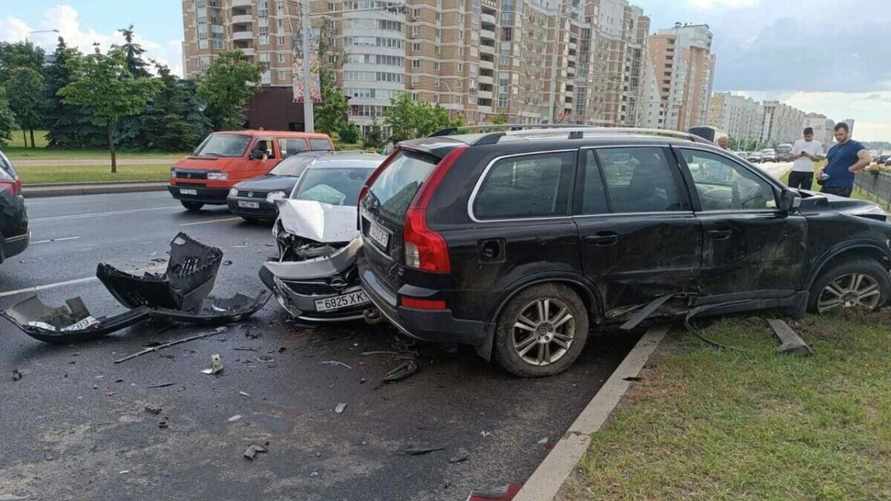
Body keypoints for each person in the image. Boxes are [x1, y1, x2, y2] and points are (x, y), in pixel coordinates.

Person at [820, 123, 871, 198]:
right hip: (826, 185)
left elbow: (867, 159)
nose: (838, 137)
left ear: (847, 133)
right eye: (836, 135)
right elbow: (826, 163)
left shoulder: (855, 145)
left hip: (842, 187)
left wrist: (852, 168)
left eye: (841, 134)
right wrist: (821, 171)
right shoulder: (833, 148)